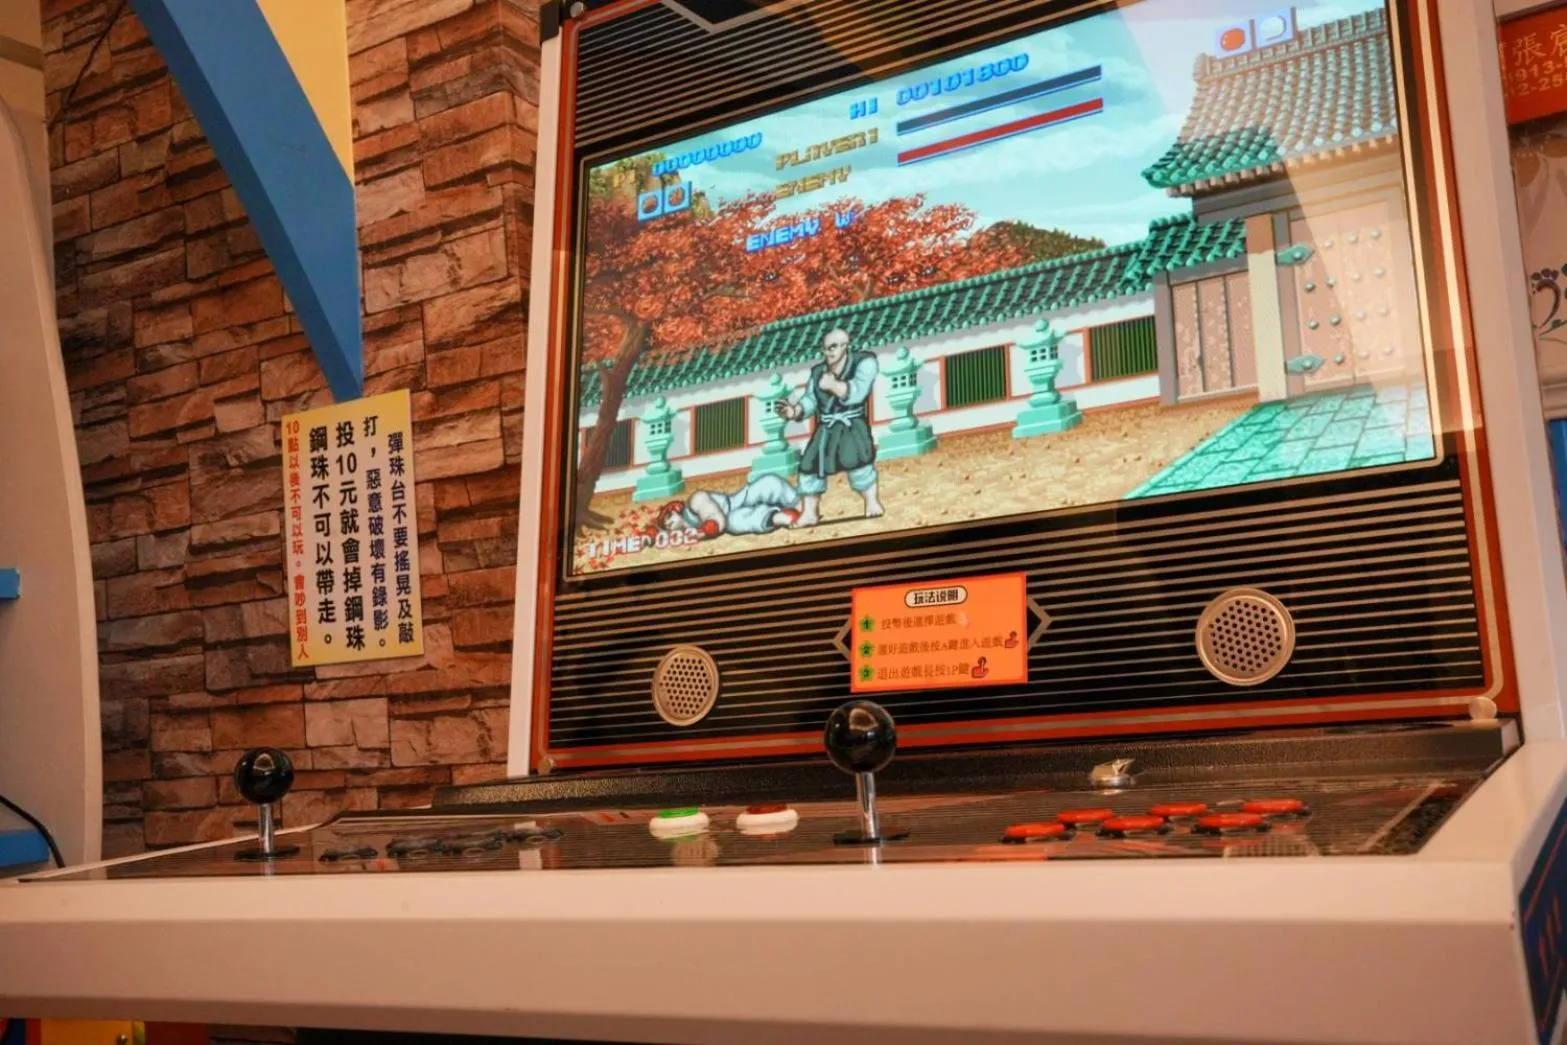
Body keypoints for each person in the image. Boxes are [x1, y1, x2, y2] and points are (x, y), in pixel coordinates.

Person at [774, 327, 882, 526]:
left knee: (859, 464)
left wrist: (835, 386)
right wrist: (794, 411)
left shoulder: (864, 362)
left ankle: (872, 501)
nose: (828, 353)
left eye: (833, 347)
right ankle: (810, 512)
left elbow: (859, 391)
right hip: (826, 427)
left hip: (852, 423)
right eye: (825, 349)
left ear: (845, 346)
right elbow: (810, 400)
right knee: (809, 467)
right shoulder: (818, 372)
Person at [649, 473, 801, 540]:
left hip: (735, 501)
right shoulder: (682, 533)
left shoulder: (695, 500)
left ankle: (798, 501)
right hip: (731, 519)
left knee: (768, 483)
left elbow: (716, 517)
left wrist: (703, 531)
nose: (668, 523)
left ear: (677, 509)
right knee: (737, 523)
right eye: (665, 525)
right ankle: (778, 517)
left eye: (669, 516)